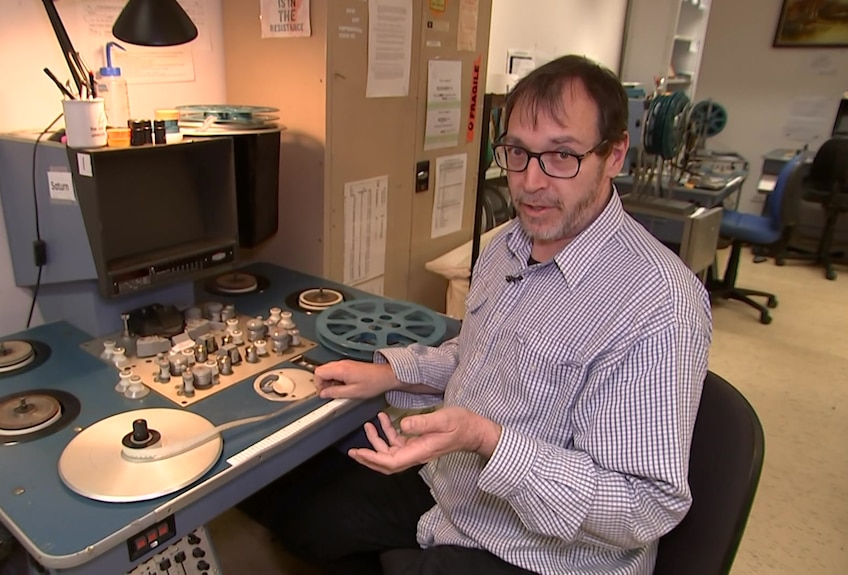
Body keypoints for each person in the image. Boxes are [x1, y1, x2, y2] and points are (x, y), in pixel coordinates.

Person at [240, 54, 712, 575]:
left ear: (615, 153)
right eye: (517, 152)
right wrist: (389, 374)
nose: (531, 182)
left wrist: (488, 440)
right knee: (298, 513)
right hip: (452, 493)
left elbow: (644, 507)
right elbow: (476, 357)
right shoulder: (508, 245)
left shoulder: (661, 305)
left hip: (546, 556)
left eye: (561, 156)